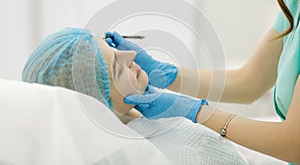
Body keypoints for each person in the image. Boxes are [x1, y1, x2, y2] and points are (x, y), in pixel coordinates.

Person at [105, 0, 300, 164]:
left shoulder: (190, 148)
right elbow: (250, 82)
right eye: (116, 64)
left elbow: (293, 144)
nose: (129, 56)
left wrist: (199, 112)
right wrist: (164, 74)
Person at [22, 28, 248, 165]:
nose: (130, 54)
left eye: (114, 48)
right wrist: (199, 113)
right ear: (97, 103)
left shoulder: (148, 114)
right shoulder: (184, 151)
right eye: (118, 68)